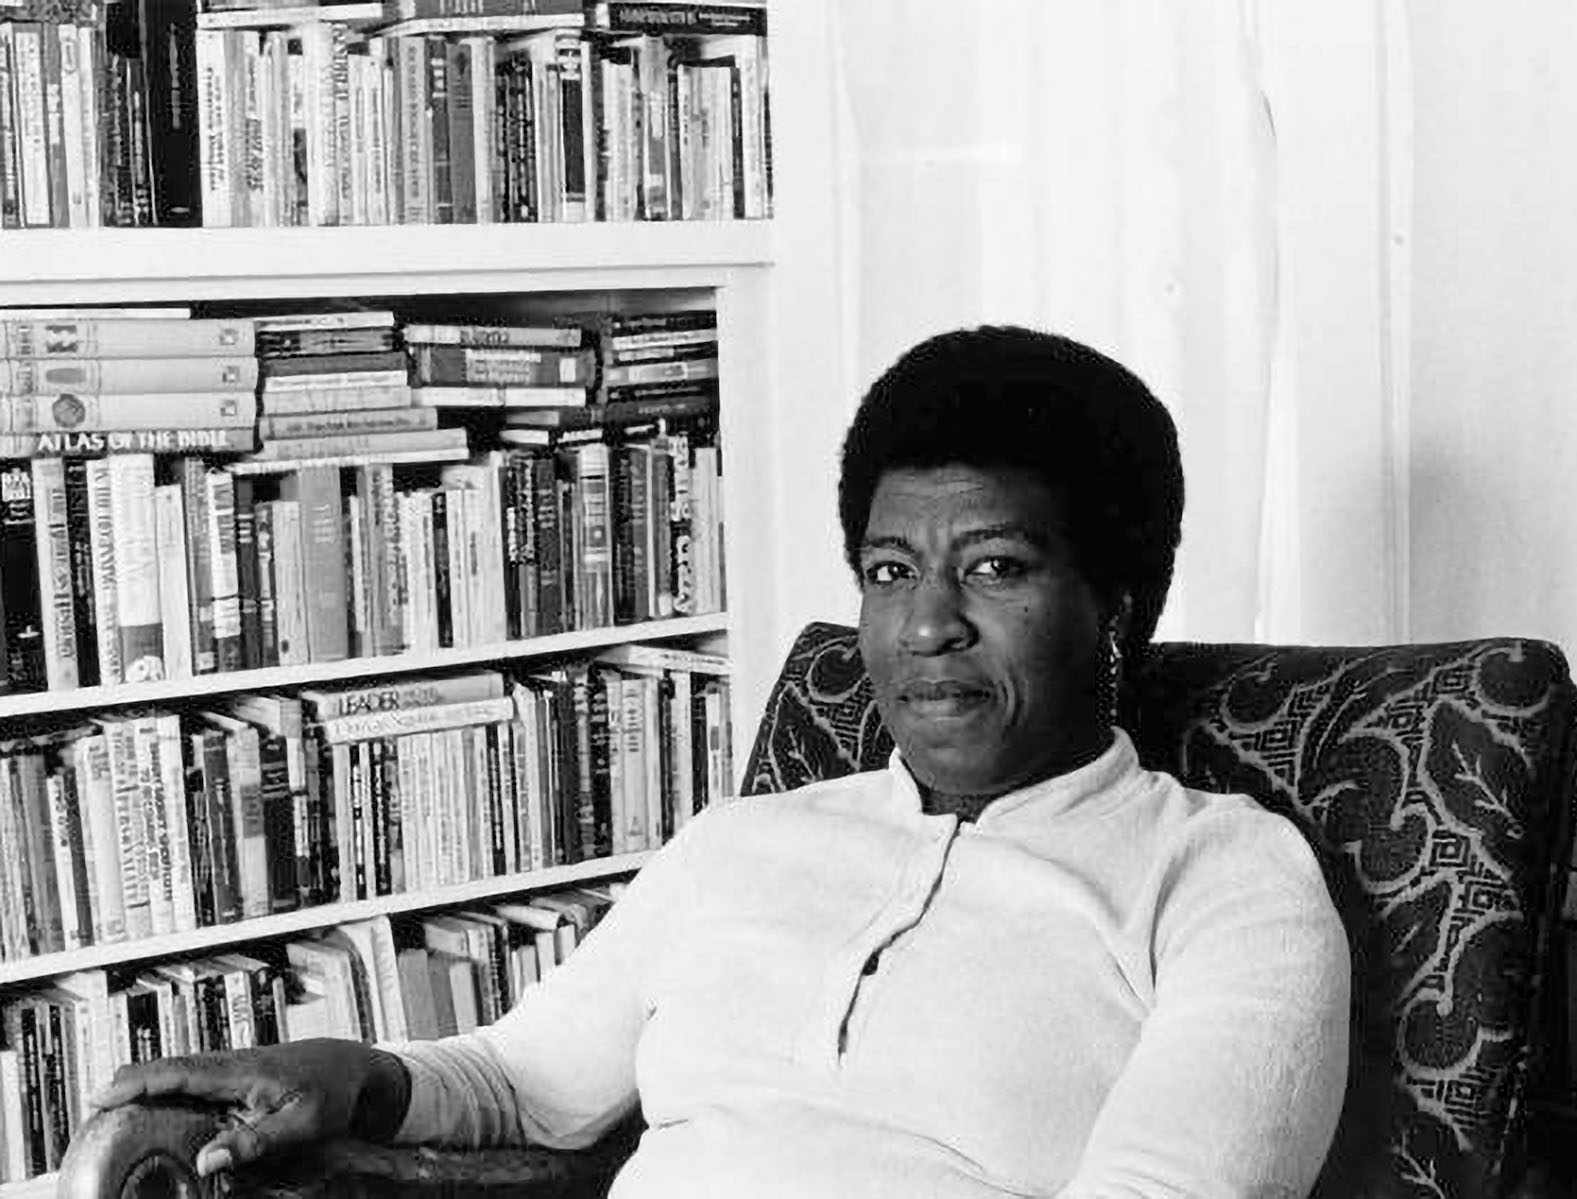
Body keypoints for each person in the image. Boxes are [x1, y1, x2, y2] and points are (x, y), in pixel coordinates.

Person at [93, 325, 1351, 1199]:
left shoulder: (1223, 874)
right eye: (890, 570)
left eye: (996, 567)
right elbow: (524, 1085)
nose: (924, 626)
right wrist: (354, 1076)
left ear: (1117, 605)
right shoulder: (746, 840)